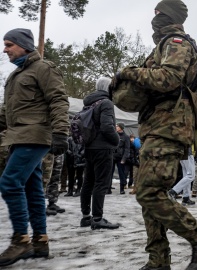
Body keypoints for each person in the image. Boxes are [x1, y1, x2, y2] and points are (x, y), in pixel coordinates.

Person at [112, 1, 197, 269]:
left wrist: (129, 72)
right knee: (153, 194)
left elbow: (168, 79)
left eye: (159, 13)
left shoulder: (176, 41)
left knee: (148, 192)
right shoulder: (163, 44)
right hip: (158, 126)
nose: (154, 18)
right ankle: (158, 260)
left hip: (168, 127)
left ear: (170, 16)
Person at [0, 28, 69, 267]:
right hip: (18, 137)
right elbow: (6, 112)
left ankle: (21, 240)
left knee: (9, 182)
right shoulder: (15, 76)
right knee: (32, 189)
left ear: (23, 45)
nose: (5, 49)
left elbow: (58, 100)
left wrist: (61, 132)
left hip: (36, 135)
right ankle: (40, 242)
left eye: (9, 44)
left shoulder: (43, 68)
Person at [80, 77, 120, 230]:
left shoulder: (89, 102)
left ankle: (86, 217)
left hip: (89, 147)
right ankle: (97, 218)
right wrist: (116, 141)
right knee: (101, 183)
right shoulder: (106, 103)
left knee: (88, 182)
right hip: (103, 148)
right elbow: (107, 127)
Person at [110, 122, 130, 194]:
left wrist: (124, 159)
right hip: (112, 157)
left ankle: (122, 189)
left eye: (117, 126)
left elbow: (127, 149)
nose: (116, 127)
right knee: (109, 173)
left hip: (120, 158)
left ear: (121, 128)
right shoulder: (114, 135)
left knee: (122, 174)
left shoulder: (126, 137)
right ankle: (108, 188)